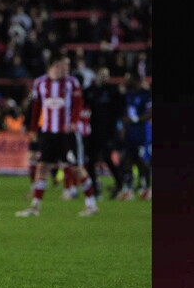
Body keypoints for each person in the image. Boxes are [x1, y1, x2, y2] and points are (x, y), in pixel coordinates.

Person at [16, 57, 99, 217]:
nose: (63, 69)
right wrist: (33, 129)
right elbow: (36, 107)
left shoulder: (72, 83)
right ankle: (35, 207)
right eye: (59, 66)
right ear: (51, 67)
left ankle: (91, 205)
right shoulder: (40, 83)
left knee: (76, 168)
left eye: (65, 66)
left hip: (67, 133)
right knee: (42, 167)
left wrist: (74, 121)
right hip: (48, 133)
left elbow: (78, 103)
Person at [82, 67, 126, 199]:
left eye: (106, 75)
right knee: (91, 161)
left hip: (108, 132)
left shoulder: (113, 91)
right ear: (97, 76)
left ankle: (119, 185)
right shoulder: (91, 91)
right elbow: (83, 106)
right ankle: (95, 189)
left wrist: (118, 128)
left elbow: (120, 109)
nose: (103, 77)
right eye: (101, 74)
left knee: (108, 158)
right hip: (93, 132)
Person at [117, 73, 152, 200]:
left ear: (136, 80)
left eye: (129, 79)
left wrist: (134, 119)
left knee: (143, 160)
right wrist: (122, 127)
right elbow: (125, 113)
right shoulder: (128, 95)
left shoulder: (146, 94)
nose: (126, 81)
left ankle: (147, 188)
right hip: (129, 133)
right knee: (128, 160)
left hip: (142, 133)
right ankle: (130, 188)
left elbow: (149, 113)